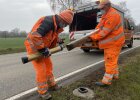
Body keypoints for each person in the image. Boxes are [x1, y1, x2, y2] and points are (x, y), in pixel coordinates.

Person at [24, 9, 74, 100]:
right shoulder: (48, 22)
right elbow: (35, 35)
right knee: (41, 69)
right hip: (34, 48)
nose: (65, 26)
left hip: (43, 48)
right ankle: (43, 92)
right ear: (62, 19)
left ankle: (52, 85)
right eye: (66, 24)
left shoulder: (56, 25)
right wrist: (42, 49)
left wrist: (58, 40)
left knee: (49, 66)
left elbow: (50, 35)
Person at [90, 0, 125, 86]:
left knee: (110, 61)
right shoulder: (106, 14)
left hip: (114, 43)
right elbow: (100, 26)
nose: (101, 9)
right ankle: (115, 76)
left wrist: (93, 37)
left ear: (107, 5)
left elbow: (104, 32)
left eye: (102, 7)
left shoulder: (113, 15)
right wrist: (93, 32)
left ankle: (106, 81)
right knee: (113, 60)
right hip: (112, 42)